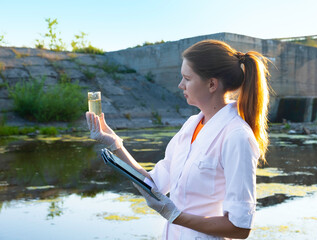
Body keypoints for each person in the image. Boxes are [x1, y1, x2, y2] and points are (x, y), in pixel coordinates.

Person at [86, 39, 270, 239]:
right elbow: (154, 184)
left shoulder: (237, 136)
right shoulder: (191, 125)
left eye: (187, 78)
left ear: (211, 84)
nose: (180, 85)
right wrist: (115, 144)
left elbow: (239, 228)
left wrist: (177, 216)